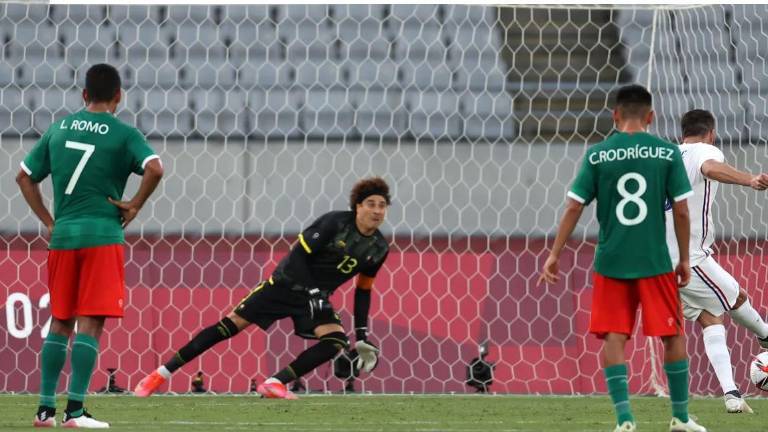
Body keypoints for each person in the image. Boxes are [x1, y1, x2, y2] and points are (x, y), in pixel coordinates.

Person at [538, 84, 706, 432]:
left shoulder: (598, 154)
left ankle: (625, 420)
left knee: (615, 336)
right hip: (655, 261)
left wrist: (555, 254)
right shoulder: (666, 153)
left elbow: (573, 205)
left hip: (611, 262)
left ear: (614, 115)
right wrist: (686, 259)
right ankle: (680, 417)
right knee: (672, 335)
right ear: (651, 116)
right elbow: (682, 211)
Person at [134, 177, 391, 399]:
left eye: (382, 205)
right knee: (228, 327)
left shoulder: (378, 248)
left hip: (314, 299)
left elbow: (363, 290)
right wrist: (314, 292)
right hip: (284, 284)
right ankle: (158, 375)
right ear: (357, 206)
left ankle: (275, 382)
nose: (377, 211)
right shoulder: (334, 223)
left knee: (336, 341)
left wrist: (363, 335)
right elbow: (298, 256)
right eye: (371, 204)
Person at [17, 63, 164, 428]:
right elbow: (156, 168)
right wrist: (134, 204)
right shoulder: (123, 133)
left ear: (84, 95)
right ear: (119, 96)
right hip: (101, 237)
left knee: (60, 321)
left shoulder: (58, 128)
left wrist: (50, 223)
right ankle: (76, 412)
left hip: (63, 237)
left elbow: (23, 177)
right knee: (91, 324)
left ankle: (45, 410)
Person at [665, 109, 768, 413]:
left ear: (682, 132)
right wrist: (750, 179)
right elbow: (710, 168)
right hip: (690, 259)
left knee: (710, 318)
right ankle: (765, 336)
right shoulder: (705, 150)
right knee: (736, 297)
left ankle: (732, 396)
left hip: (660, 261)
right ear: (711, 132)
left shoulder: (668, 155)